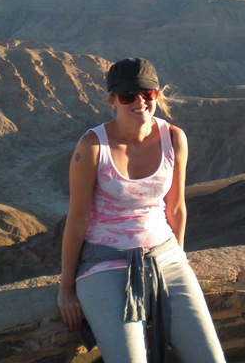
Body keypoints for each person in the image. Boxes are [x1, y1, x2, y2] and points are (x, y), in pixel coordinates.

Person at [57, 57, 226, 362]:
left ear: (157, 95)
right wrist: (66, 289)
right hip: (105, 265)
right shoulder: (93, 147)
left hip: (166, 257)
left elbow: (175, 207)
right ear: (112, 100)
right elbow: (78, 219)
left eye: (147, 94)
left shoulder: (174, 139)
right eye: (127, 96)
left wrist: (179, 260)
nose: (139, 102)